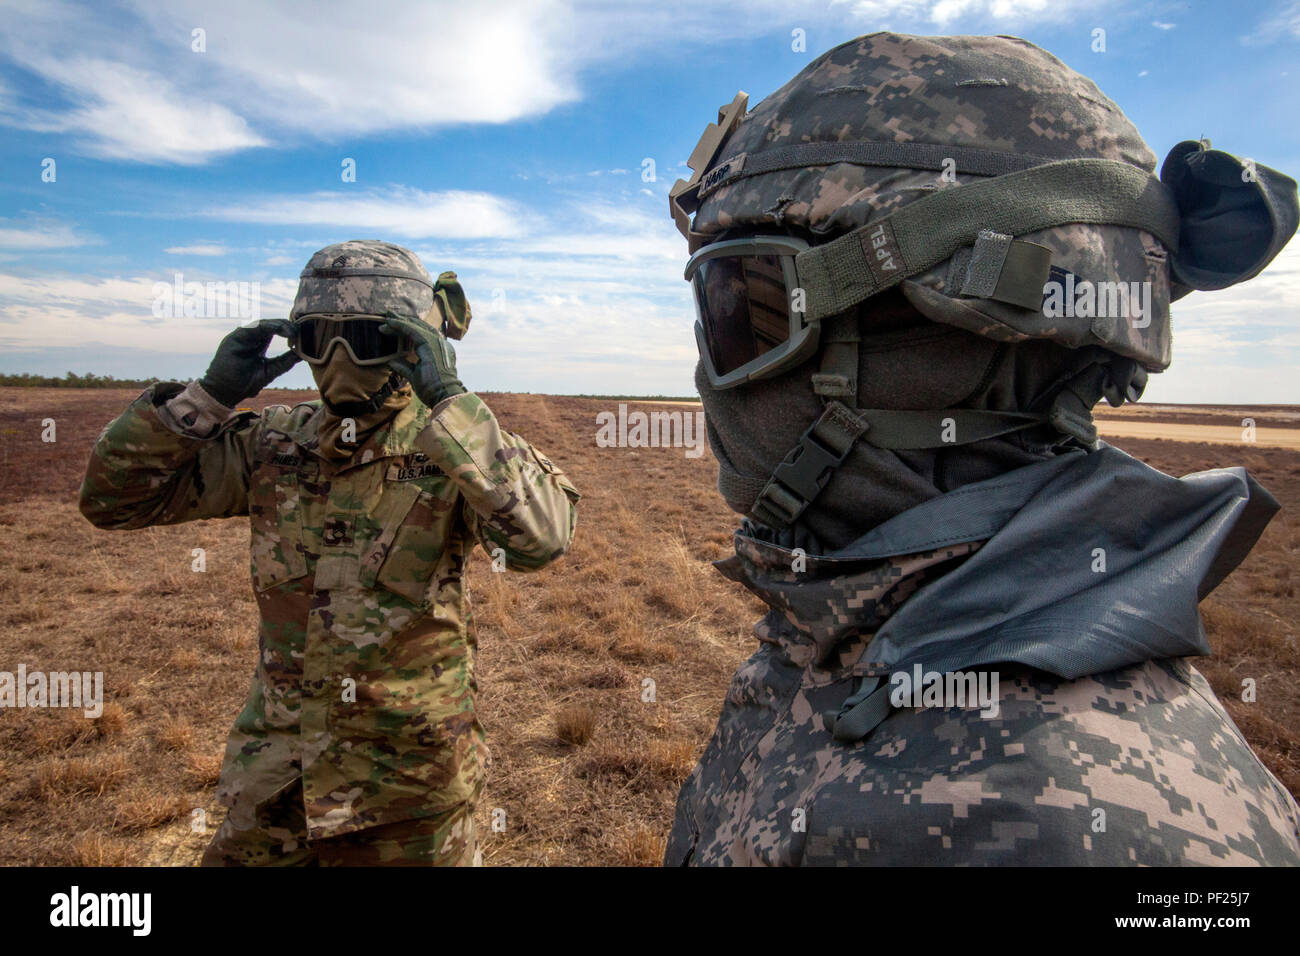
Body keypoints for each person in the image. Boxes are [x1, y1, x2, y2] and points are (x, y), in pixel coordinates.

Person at [663, 33, 1300, 865]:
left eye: (745, 314)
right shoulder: (848, 622)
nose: (712, 376)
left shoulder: (1069, 827)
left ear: (953, 331)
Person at [79, 239, 579, 865]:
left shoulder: (454, 452)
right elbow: (113, 501)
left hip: (406, 796)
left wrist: (450, 400)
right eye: (318, 339)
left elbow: (543, 539)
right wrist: (206, 398)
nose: (340, 361)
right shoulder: (271, 445)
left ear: (413, 345)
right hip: (275, 786)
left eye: (366, 341)